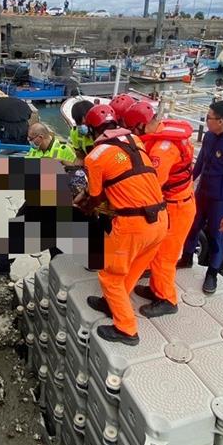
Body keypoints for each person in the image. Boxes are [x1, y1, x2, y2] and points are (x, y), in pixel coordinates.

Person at [79, 104, 168, 345]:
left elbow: (95, 196)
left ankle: (126, 329)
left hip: (133, 224)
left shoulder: (94, 157)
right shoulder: (134, 141)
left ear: (89, 130)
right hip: (160, 220)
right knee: (132, 268)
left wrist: (83, 205)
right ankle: (112, 304)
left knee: (109, 274)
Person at [121, 100, 196, 316]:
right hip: (178, 202)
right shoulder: (163, 132)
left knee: (165, 256)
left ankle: (167, 299)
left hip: (176, 208)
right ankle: (156, 289)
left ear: (141, 126)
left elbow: (153, 184)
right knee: (157, 253)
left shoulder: (162, 150)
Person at [0, 123, 74, 278]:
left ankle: (58, 271)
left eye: (31, 139)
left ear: (41, 137)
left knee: (55, 241)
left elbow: (75, 178)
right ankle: (4, 263)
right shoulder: (34, 150)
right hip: (35, 200)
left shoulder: (64, 151)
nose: (30, 142)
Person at [178, 100, 223, 294]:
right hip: (202, 194)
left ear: (222, 121)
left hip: (221, 200)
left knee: (217, 238)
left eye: (209, 117)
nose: (206, 120)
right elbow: (199, 164)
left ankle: (212, 274)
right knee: (191, 228)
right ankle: (186, 257)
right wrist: (185, 184)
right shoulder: (209, 137)